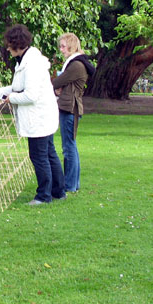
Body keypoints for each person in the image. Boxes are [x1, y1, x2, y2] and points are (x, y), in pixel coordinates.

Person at [0, 24, 65, 205]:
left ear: (17, 44)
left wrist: (11, 98)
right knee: (49, 153)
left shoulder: (32, 64)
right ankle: (58, 192)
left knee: (39, 156)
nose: (8, 49)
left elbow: (30, 95)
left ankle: (44, 196)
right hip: (42, 116)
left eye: (10, 45)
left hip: (39, 117)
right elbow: (18, 87)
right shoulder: (25, 61)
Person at [51, 32, 96, 194]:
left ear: (71, 46)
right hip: (70, 106)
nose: (61, 49)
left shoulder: (76, 65)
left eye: (63, 46)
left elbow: (57, 82)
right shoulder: (76, 63)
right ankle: (73, 184)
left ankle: (69, 184)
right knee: (70, 146)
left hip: (70, 107)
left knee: (68, 147)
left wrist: (57, 86)